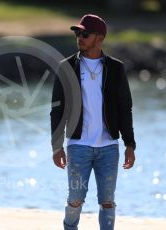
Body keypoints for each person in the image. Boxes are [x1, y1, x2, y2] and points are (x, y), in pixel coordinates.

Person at [50, 14, 136, 230]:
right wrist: (56, 146)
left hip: (108, 147)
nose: (79, 37)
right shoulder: (66, 67)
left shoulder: (116, 69)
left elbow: (125, 108)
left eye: (84, 33)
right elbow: (57, 111)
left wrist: (130, 144)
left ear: (99, 38)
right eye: (77, 33)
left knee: (107, 202)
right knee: (75, 200)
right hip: (78, 145)